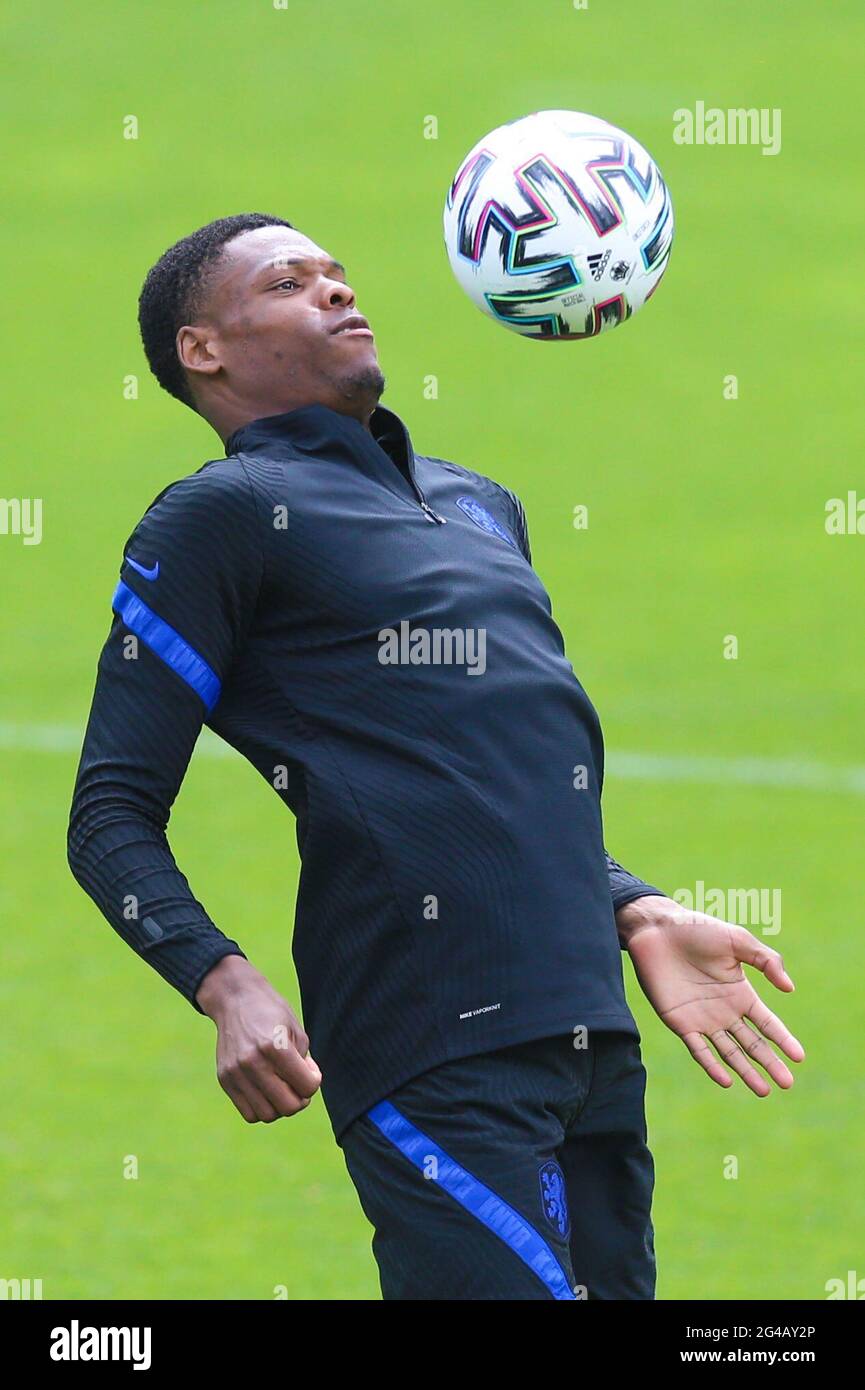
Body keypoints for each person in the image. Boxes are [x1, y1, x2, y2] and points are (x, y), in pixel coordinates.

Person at [68, 212, 805, 1301]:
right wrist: (221, 981)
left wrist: (632, 906)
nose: (334, 290)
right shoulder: (219, 516)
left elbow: (481, 771)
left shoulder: (476, 503)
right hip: (430, 1035)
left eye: (337, 272)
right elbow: (110, 813)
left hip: (587, 1030)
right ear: (203, 349)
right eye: (289, 281)